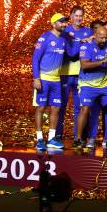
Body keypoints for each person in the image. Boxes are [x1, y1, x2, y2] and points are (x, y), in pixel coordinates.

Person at [74, 26, 107, 151]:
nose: (104, 40)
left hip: (105, 84)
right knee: (85, 109)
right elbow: (84, 65)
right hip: (88, 85)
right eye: (101, 37)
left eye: (106, 37)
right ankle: (78, 139)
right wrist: (102, 62)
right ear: (95, 35)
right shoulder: (86, 46)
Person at [32, 13, 68, 151]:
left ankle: (52, 138)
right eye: (61, 22)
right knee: (41, 108)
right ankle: (40, 139)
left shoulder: (64, 39)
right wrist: (36, 78)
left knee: (56, 108)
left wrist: (87, 41)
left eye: (65, 22)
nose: (64, 24)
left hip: (56, 80)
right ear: (53, 24)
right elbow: (35, 58)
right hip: (43, 79)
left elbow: (71, 53)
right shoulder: (45, 37)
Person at [57, 6, 92, 141]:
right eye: (76, 15)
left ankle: (77, 138)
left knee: (79, 108)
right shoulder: (64, 30)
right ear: (71, 16)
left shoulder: (88, 31)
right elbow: (69, 53)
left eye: (81, 16)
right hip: (64, 74)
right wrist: (80, 43)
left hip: (81, 75)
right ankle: (57, 136)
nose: (78, 18)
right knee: (61, 107)